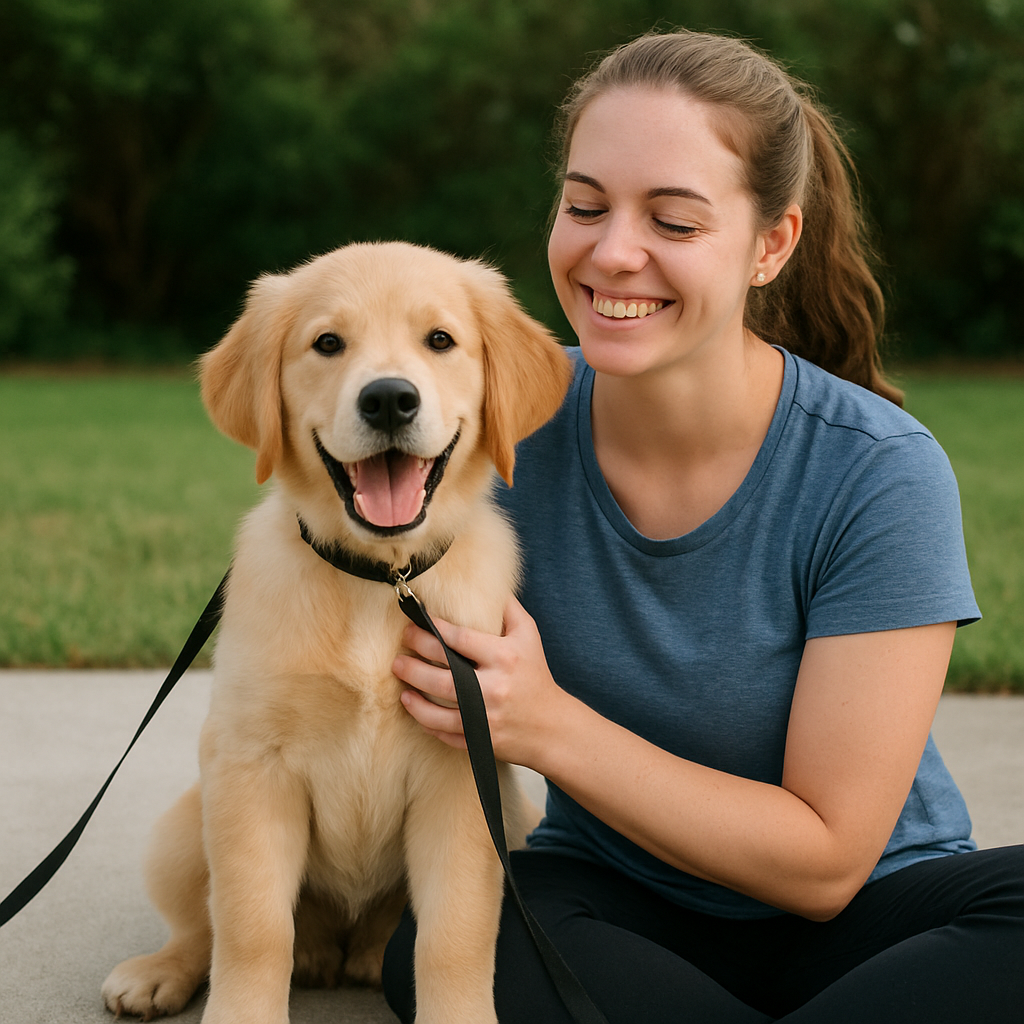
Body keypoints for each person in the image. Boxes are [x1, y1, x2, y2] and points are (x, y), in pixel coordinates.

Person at [382, 28, 1024, 1023]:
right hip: (619, 906)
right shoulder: (492, 418)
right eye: (584, 204)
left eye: (672, 221)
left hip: (868, 917)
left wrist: (546, 724)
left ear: (771, 245)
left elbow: (824, 861)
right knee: (447, 936)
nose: (611, 251)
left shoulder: (877, 471)